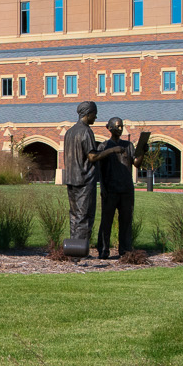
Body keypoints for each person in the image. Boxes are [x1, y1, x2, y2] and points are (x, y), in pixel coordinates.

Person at [93, 117, 137, 259]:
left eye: (121, 126)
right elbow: (100, 170)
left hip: (126, 190)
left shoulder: (128, 145)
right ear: (110, 128)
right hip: (110, 190)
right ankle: (103, 250)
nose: (120, 128)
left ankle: (125, 250)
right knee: (106, 222)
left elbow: (136, 163)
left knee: (126, 222)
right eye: (117, 126)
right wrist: (102, 188)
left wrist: (142, 150)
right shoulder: (103, 147)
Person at [58, 101, 100, 248]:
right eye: (94, 114)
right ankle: (78, 251)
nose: (96, 117)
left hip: (71, 179)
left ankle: (72, 249)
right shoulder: (86, 131)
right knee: (84, 216)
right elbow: (92, 157)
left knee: (74, 216)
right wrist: (110, 151)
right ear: (87, 114)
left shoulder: (69, 132)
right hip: (84, 180)